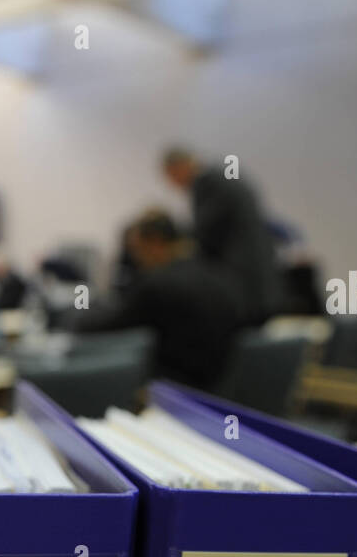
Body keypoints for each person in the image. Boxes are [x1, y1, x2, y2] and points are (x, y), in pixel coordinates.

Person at [83, 210, 245, 390]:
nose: (136, 260)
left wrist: (77, 316)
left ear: (155, 242)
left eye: (137, 250)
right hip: (222, 387)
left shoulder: (158, 285)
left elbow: (108, 326)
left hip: (174, 391)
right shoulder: (218, 273)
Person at [162, 146, 282, 326]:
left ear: (179, 167)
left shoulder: (206, 184)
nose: (173, 185)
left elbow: (205, 232)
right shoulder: (226, 177)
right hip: (260, 277)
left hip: (241, 281)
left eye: (171, 178)